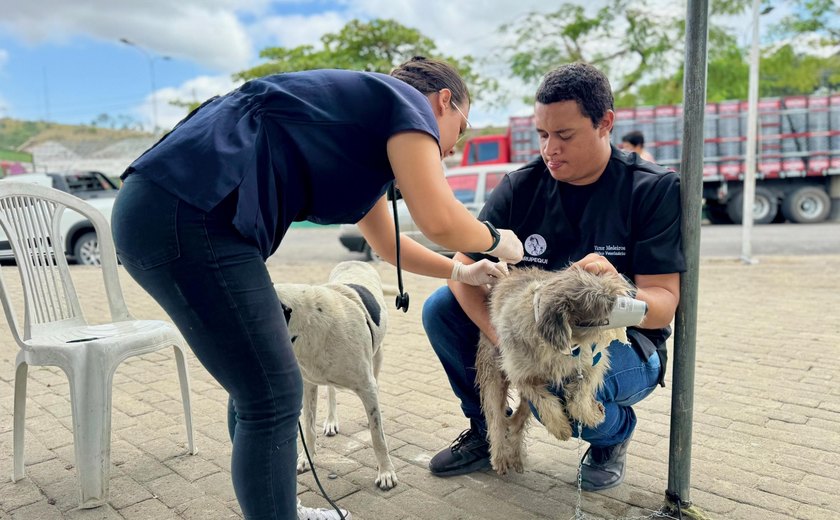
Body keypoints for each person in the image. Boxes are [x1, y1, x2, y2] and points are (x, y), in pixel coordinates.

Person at [111, 57, 524, 520]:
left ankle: (277, 506)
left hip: (163, 209)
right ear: (444, 102)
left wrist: (460, 272)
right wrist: (496, 240)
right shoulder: (406, 102)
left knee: (257, 382)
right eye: (460, 131)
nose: (450, 150)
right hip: (187, 214)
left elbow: (389, 243)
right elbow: (441, 219)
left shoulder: (364, 135)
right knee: (272, 394)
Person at [422, 62, 684, 491]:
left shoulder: (650, 189)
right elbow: (461, 271)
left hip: (625, 343)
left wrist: (617, 294)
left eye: (564, 135)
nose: (550, 149)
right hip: (527, 334)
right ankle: (487, 428)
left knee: (562, 392)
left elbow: (662, 306)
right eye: (542, 135)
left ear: (606, 124)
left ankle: (611, 436)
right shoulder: (520, 187)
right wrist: (506, 343)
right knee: (440, 308)